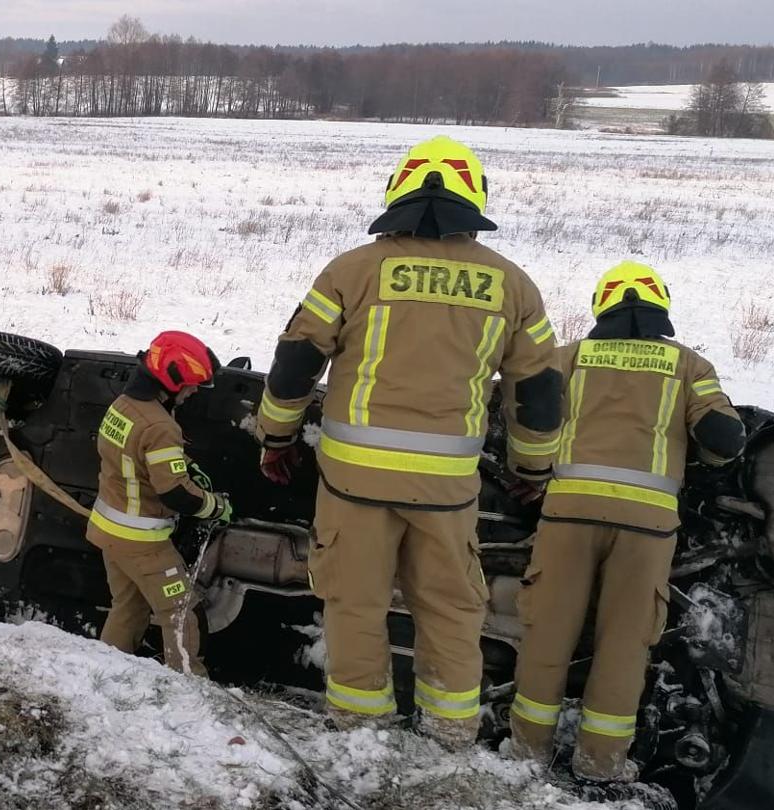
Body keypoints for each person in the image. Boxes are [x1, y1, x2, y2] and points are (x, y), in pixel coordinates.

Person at [252, 135, 564, 747]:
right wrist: (533, 467)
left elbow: (294, 366)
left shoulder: (352, 269)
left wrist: (275, 435)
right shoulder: (514, 287)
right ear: (475, 196)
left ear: (397, 190)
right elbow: (539, 393)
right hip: (446, 490)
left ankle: (360, 728)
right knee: (451, 609)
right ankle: (449, 734)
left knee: (354, 604)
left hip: (353, 482)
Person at [505, 261, 744, 781]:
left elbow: (527, 410)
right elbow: (724, 439)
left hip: (568, 514)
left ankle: (526, 753)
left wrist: (533, 469)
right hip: (648, 525)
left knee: (548, 632)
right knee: (624, 644)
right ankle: (601, 762)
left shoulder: (570, 357)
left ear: (602, 306)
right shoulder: (691, 367)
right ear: (662, 306)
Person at [87, 331, 234, 675]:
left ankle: (103, 673)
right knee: (181, 612)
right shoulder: (160, 426)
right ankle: (187, 684)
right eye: (193, 385)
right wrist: (215, 506)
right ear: (173, 380)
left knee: (129, 607)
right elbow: (175, 493)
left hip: (110, 530)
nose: (195, 391)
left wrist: (182, 465)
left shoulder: (122, 406)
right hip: (142, 541)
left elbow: (136, 458)